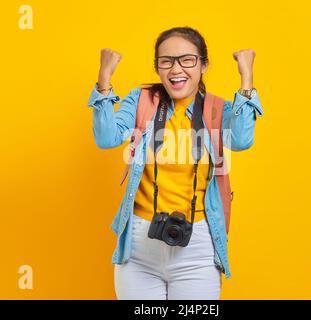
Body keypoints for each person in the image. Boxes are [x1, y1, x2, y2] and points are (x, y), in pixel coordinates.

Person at [87, 26, 264, 299]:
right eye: (166, 61)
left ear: (203, 65)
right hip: (138, 247)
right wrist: (104, 79)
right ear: (157, 67)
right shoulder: (142, 101)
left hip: (197, 249)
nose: (176, 69)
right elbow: (107, 137)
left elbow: (241, 140)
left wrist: (246, 78)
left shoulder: (216, 109)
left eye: (187, 60)